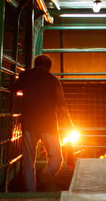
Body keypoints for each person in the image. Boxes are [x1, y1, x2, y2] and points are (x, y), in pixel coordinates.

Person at [12, 55, 74, 191]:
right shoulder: (53, 80)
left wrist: (23, 98)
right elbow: (62, 104)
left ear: (35, 64)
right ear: (49, 67)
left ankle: (30, 192)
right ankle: (46, 175)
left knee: (29, 161)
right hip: (48, 124)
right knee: (56, 158)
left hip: (29, 123)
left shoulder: (25, 75)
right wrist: (69, 123)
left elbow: (14, 91)